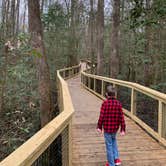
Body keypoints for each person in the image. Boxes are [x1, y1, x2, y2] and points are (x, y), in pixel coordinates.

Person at [97, 85, 126, 166]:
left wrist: (99, 127)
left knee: (109, 145)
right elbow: (121, 117)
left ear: (106, 94)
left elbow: (101, 116)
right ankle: (116, 159)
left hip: (107, 128)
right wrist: (123, 129)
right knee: (114, 141)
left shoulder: (104, 104)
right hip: (115, 128)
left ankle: (111, 164)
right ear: (115, 94)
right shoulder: (118, 104)